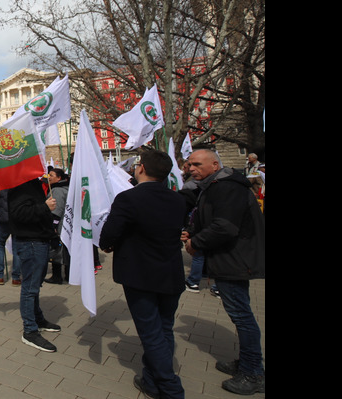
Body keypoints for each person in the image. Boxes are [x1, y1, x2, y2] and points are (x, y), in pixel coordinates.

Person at [99, 149, 186, 399]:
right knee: (164, 327)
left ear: (142, 169)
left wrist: (109, 244)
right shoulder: (178, 199)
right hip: (170, 272)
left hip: (141, 274)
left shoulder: (128, 199)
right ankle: (151, 380)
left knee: (150, 331)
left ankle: (171, 388)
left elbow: (109, 234)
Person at [183, 149, 266, 395]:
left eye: (196, 164)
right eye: (189, 164)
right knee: (241, 313)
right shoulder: (216, 186)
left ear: (215, 164)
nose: (191, 168)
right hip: (230, 258)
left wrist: (195, 243)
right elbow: (212, 220)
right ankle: (249, 362)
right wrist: (194, 233)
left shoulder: (226, 187)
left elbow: (225, 227)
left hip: (235, 259)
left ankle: (253, 373)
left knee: (241, 315)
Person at [8, 177, 61, 353]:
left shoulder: (34, 182)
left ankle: (38, 319)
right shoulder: (20, 184)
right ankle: (30, 330)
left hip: (40, 240)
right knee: (30, 288)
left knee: (35, 285)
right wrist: (44, 207)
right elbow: (18, 214)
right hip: (30, 242)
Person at [45, 168, 69, 284]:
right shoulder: (66, 188)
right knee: (65, 250)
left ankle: (57, 276)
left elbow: (56, 210)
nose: (49, 177)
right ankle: (68, 274)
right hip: (66, 226)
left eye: (52, 175)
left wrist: (53, 227)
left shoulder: (58, 191)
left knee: (57, 250)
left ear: (59, 178)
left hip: (59, 226)